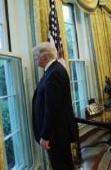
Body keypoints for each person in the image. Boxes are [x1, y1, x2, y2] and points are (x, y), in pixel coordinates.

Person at [32, 42, 79, 170]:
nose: (34, 59)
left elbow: (52, 109)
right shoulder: (52, 70)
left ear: (44, 56)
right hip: (57, 132)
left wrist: (45, 136)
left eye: (36, 56)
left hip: (56, 134)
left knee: (62, 165)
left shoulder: (55, 73)